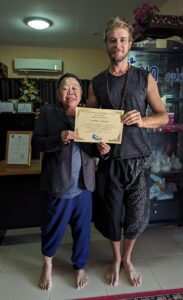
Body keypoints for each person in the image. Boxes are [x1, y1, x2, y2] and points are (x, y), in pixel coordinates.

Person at [87, 17, 169, 288]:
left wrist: (142, 120)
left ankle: (128, 258)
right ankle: (115, 257)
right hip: (110, 162)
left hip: (138, 159)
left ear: (130, 43)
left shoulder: (144, 78)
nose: (118, 44)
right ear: (106, 45)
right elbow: (89, 124)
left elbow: (163, 117)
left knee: (136, 215)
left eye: (123, 39)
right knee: (110, 215)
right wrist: (97, 142)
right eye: (113, 40)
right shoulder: (96, 82)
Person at [32, 73, 110, 291]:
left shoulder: (89, 115)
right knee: (52, 229)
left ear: (82, 93)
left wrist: (103, 151)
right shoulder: (48, 113)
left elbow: (94, 147)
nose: (71, 92)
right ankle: (47, 265)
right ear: (59, 94)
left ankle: (79, 266)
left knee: (83, 230)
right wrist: (60, 137)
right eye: (65, 88)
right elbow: (36, 144)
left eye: (75, 87)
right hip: (58, 185)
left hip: (84, 186)